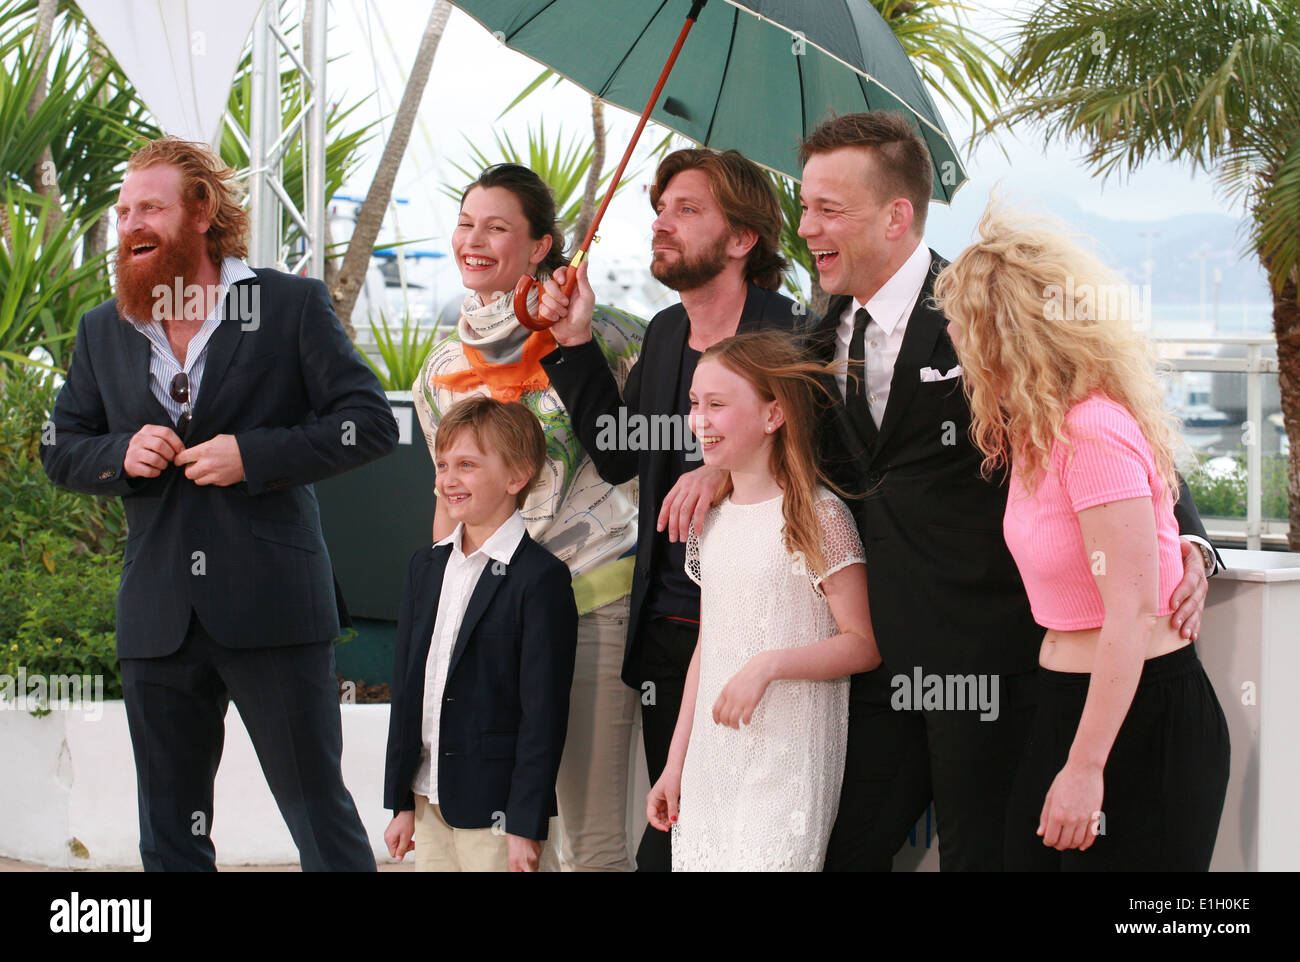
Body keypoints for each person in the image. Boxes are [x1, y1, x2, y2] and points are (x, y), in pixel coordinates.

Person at [796, 112, 1221, 871]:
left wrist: (1186, 537)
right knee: (839, 851)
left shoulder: (987, 310)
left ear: (897, 216)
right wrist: (709, 467)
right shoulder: (814, 334)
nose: (806, 226)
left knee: (982, 857)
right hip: (879, 658)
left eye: (828, 208)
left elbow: (1116, 427)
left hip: (997, 665)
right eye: (804, 206)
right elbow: (758, 421)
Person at [41, 136, 398, 871]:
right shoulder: (102, 329)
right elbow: (60, 445)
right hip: (157, 618)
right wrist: (118, 455)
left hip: (273, 605)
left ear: (201, 212)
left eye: (151, 207)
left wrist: (254, 455)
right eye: (123, 210)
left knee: (318, 819)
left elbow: (369, 423)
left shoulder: (289, 304)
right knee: (168, 837)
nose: (131, 223)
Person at [933, 206, 1230, 870]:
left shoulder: (1089, 430)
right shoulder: (1036, 430)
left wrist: (1086, 767)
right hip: (1068, 706)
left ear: (1004, 334)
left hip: (1140, 719)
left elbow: (1129, 609)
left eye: (962, 322)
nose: (950, 335)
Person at [538, 148, 806, 871]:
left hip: (761, 631)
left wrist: (724, 473)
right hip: (669, 625)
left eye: (688, 210)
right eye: (661, 208)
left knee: (747, 840)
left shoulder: (793, 334)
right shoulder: (661, 333)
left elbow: (826, 469)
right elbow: (623, 455)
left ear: (743, 238)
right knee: (679, 830)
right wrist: (573, 342)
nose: (663, 222)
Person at [411, 163, 643, 871]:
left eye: (497, 227)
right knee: (504, 840)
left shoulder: (610, 337)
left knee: (593, 839)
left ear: (541, 245)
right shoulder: (441, 368)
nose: (473, 240)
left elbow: (647, 459)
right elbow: (448, 506)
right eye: (465, 222)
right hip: (490, 624)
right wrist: (438, 618)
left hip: (594, 604)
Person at [644, 332, 880, 871]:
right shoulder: (715, 520)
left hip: (787, 766)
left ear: (773, 415)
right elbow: (709, 646)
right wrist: (675, 764)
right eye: (694, 404)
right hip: (711, 767)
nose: (700, 420)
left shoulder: (820, 517)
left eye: (718, 405)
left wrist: (768, 666)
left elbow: (862, 645)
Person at [383, 396, 579, 872]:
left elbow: (543, 714)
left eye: (467, 465)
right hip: (429, 802)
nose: (448, 479)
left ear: (515, 477)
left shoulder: (541, 579)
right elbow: (408, 689)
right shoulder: (425, 567)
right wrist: (401, 801)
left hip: (496, 814)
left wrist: (525, 822)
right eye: (443, 464)